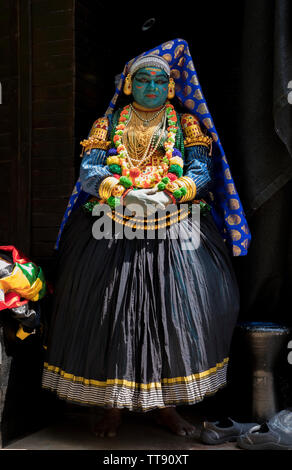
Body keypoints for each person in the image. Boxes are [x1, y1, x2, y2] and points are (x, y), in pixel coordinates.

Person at [41, 39, 251, 438]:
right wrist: (119, 190)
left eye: (159, 81)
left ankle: (167, 408)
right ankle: (112, 409)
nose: (151, 88)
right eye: (143, 80)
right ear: (128, 85)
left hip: (176, 228)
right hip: (109, 228)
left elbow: (202, 171)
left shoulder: (187, 124)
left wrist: (170, 192)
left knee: (173, 318)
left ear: (171, 87)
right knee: (111, 317)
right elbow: (89, 171)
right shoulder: (108, 124)